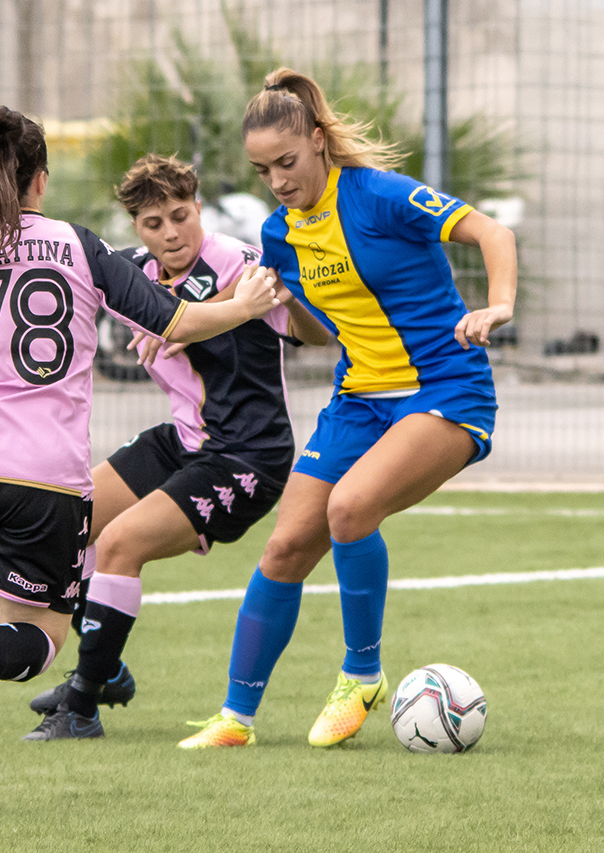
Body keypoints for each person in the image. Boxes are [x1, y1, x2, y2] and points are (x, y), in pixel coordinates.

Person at [0, 106, 281, 808]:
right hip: (44, 476)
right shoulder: (79, 248)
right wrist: (244, 305)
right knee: (42, 632)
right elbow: (178, 319)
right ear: (40, 179)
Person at [0, 154, 331, 742]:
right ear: (136, 228)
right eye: (153, 223)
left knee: (119, 545)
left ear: (198, 208)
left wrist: (282, 296)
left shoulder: (239, 264)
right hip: (184, 441)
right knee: (76, 521)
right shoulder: (133, 269)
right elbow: (38, 254)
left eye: (180, 215)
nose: (171, 233)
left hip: (246, 453)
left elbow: (316, 333)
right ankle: (108, 664)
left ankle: (82, 706)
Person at [177, 67, 516, 750]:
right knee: (285, 545)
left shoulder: (381, 195)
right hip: (358, 398)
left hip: (446, 389)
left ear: (321, 143)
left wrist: (499, 302)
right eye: (262, 168)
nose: (276, 179)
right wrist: (283, 304)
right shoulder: (281, 236)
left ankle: (362, 673)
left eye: (287, 161)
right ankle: (236, 718)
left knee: (349, 510)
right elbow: (315, 331)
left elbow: (491, 232)